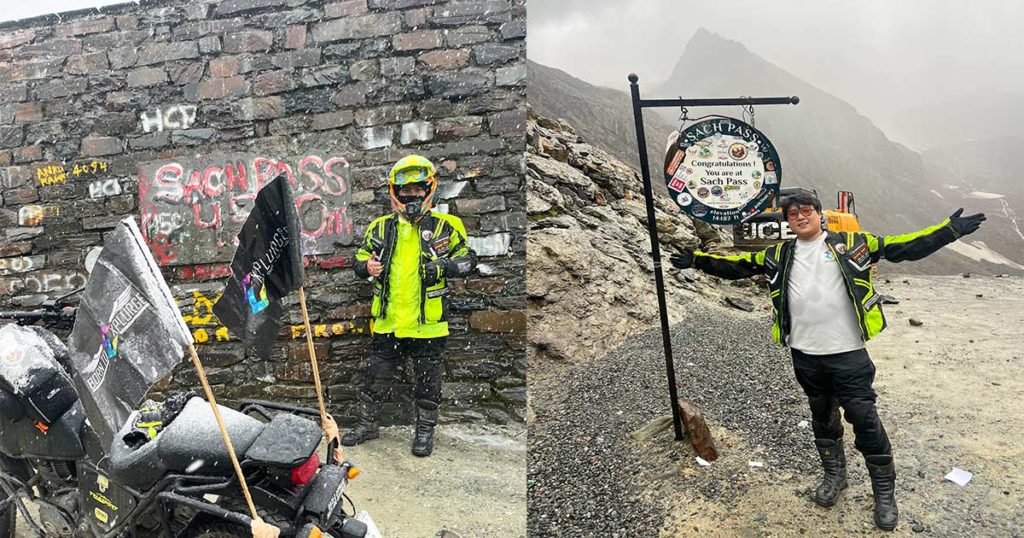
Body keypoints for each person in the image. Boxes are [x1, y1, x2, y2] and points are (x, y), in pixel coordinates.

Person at [669, 192, 985, 531]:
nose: (800, 216)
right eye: (793, 213)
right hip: (805, 353)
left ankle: (884, 493)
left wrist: (948, 231)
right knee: (822, 418)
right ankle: (836, 477)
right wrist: (697, 260)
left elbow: (904, 246)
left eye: (806, 210)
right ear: (787, 221)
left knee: (864, 420)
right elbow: (735, 267)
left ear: (820, 214)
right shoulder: (778, 253)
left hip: (848, 352)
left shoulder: (852, 243)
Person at [343, 155, 477, 457]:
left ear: (429, 188)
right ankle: (368, 425)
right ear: (395, 191)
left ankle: (425, 432)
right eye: (406, 190)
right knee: (375, 377)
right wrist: (367, 268)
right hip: (388, 321)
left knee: (428, 382)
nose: (412, 195)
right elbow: (358, 259)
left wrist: (442, 267)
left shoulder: (447, 225)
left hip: (428, 323)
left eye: (418, 189)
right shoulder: (379, 227)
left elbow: (468, 260)